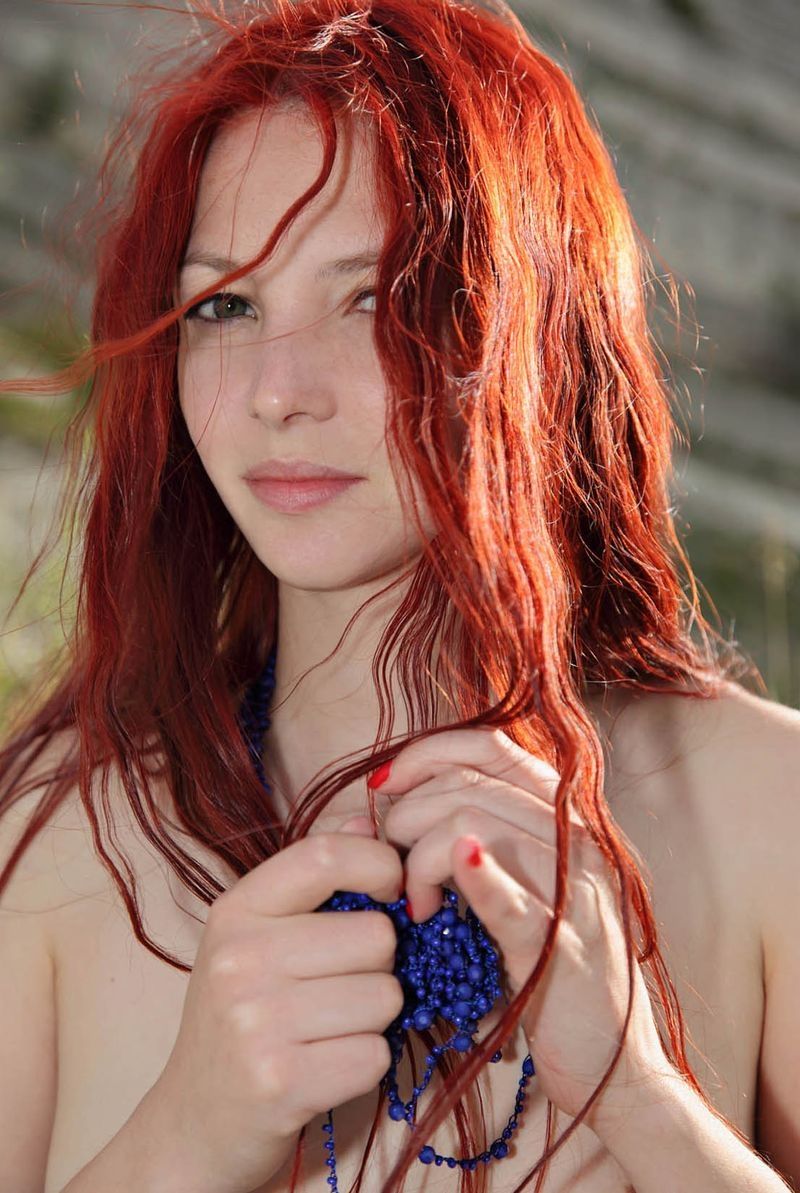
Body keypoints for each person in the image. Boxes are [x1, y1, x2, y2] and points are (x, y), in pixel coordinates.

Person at [1, 1, 798, 1190]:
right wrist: (188, 1132)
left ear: (535, 323)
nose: (277, 390)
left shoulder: (761, 808)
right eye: (222, 305)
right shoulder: (52, 836)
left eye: (374, 295)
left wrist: (637, 1095)